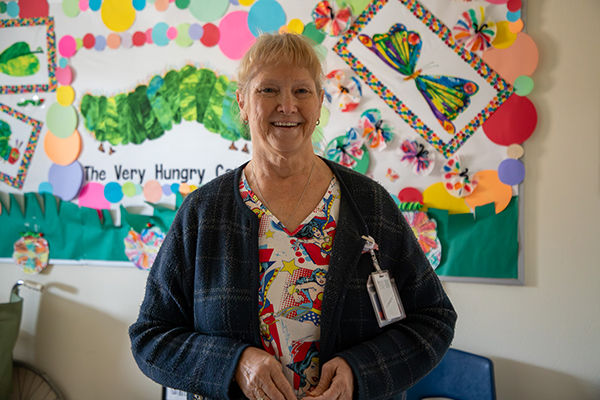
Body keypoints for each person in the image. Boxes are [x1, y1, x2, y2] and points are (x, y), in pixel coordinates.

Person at [129, 32, 457, 400]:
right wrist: (234, 363)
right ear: (242, 102)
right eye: (268, 90)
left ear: (319, 104)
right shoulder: (204, 213)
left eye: (302, 91)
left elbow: (434, 319)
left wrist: (358, 372)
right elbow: (151, 337)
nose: (287, 105)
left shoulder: (370, 204)